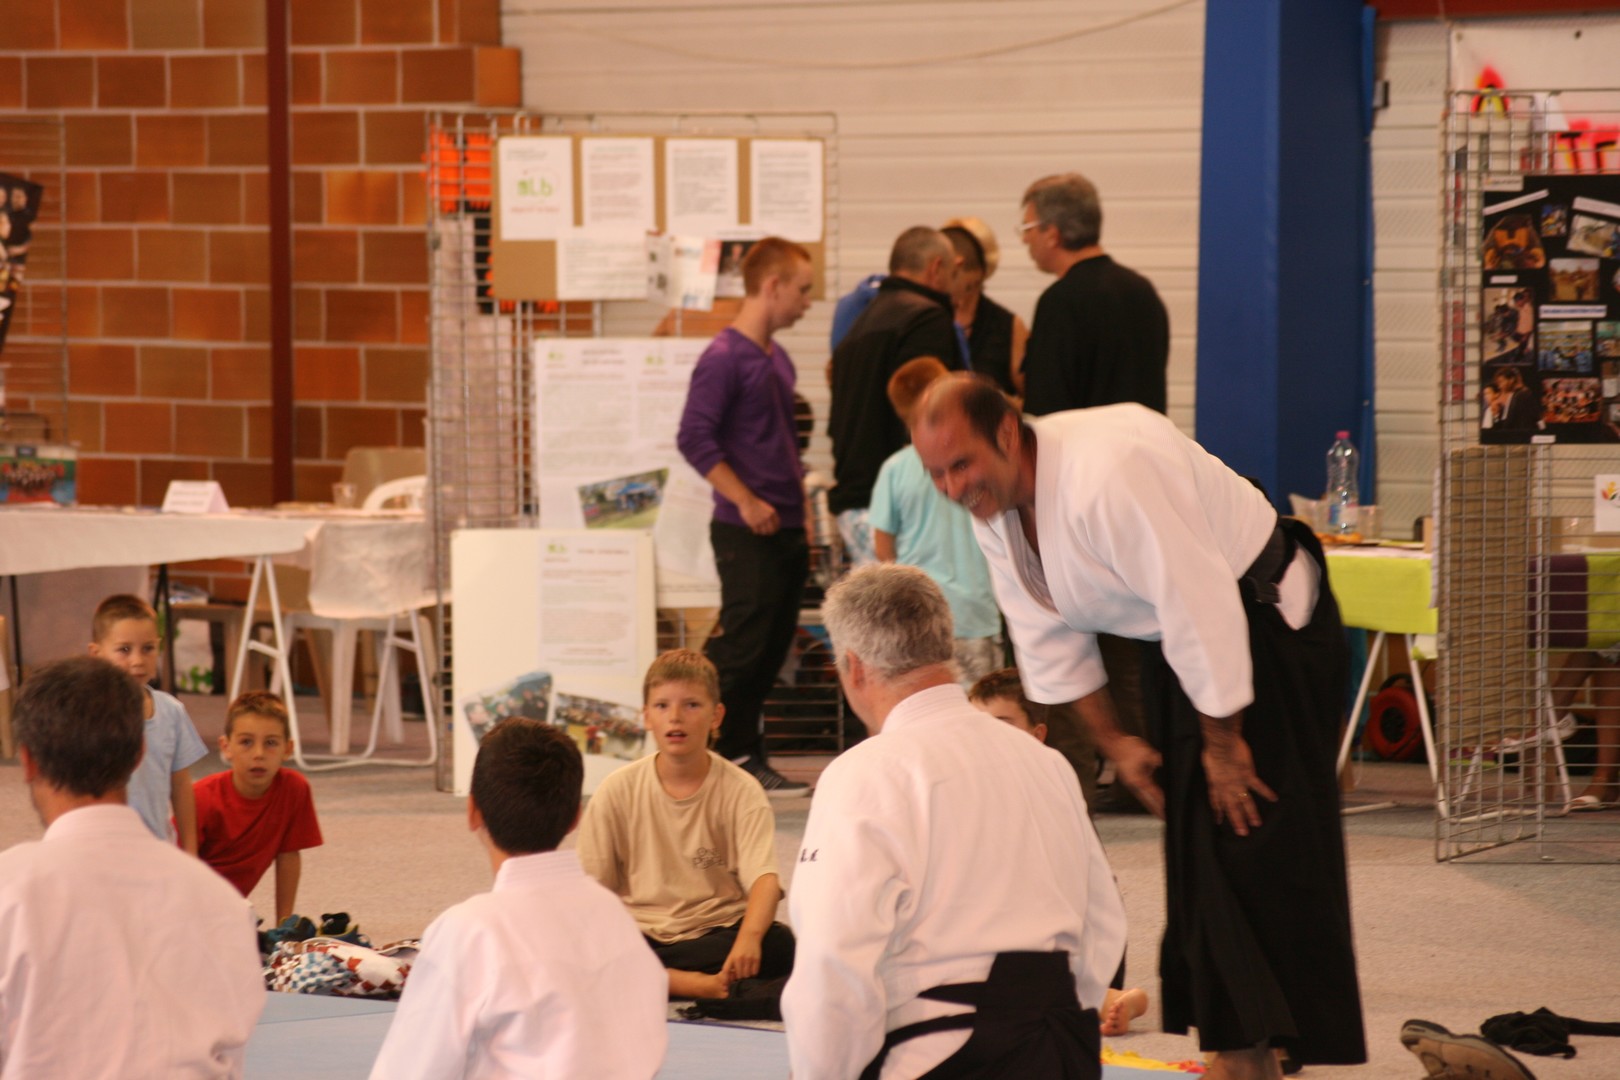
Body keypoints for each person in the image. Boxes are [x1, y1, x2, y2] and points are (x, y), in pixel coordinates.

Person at [911, 377, 1366, 1080]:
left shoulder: (1106, 472)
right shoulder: (995, 511)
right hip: (1180, 646)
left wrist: (1223, 744)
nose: (951, 487)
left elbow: (1201, 599)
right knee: (1197, 849)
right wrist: (1117, 744)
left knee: (1252, 834)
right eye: (936, 473)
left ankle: (1260, 1047)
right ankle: (1244, 1045)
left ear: (1005, 432)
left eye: (960, 464)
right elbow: (1047, 640)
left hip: (1264, 619)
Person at [781, 564, 1127, 1080]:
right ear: (943, 647)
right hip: (1061, 1048)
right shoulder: (1045, 761)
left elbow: (832, 963)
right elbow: (1103, 920)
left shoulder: (864, 774)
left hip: (943, 1054)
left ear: (854, 667)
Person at [0, 656, 265, 1077]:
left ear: (28, 762)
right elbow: (231, 1055)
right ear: (140, 753)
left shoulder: (10, 891)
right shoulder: (223, 902)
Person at [368, 718, 668, 1079]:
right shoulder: (614, 915)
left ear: (473, 812)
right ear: (576, 817)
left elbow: (412, 1070)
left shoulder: (469, 931)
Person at [676, 237, 816, 796]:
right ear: (772, 286)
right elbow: (693, 438)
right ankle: (706, 751)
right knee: (742, 647)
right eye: (802, 290)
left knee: (772, 648)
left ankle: (744, 753)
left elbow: (783, 444)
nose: (807, 302)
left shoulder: (777, 358)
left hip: (786, 526)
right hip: (745, 530)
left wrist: (800, 511)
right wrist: (746, 500)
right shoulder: (723, 358)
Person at [577, 649, 795, 1002]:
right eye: (662, 706)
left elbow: (764, 882)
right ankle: (693, 984)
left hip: (716, 932)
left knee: (779, 945)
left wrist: (749, 939)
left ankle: (654, 979)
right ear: (646, 716)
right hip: (641, 934)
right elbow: (592, 891)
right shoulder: (616, 790)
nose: (675, 717)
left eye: (691, 705)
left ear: (716, 715)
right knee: (582, 946)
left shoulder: (742, 790)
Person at [966, 668, 1150, 1038]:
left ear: (1037, 735)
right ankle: (1113, 998)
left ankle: (1124, 999)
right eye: (977, 727)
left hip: (1071, 940)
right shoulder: (974, 790)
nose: (988, 737)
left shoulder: (1047, 789)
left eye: (1002, 725)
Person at [827, 226, 964, 565]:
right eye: (953, 273)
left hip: (857, 502)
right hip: (905, 508)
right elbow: (932, 413)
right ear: (936, 267)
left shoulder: (857, 326)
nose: (955, 286)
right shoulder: (926, 319)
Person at [870, 356, 1002, 688]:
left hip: (920, 618)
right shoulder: (982, 460)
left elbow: (883, 547)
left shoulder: (894, 468)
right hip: (978, 611)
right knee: (984, 708)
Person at [1018, 173, 1169, 417]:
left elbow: (1046, 408)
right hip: (1145, 440)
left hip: (1085, 442)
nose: (1025, 239)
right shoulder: (1142, 291)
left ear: (1052, 235)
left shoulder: (1060, 301)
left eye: (1028, 228)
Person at [86, 593, 208, 852]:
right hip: (102, 847)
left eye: (148, 648)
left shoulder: (171, 712)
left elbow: (181, 785)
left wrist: (190, 849)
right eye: (124, 650)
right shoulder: (86, 715)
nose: (138, 660)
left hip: (156, 846)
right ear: (96, 653)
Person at [194, 690, 324, 922]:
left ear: (288, 749)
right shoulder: (200, 797)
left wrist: (284, 924)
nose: (259, 754)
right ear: (226, 747)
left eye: (271, 743)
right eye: (246, 742)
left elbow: (288, 855)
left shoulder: (295, 789)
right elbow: (175, 867)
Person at [942, 216, 1028, 397]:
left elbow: (1031, 398)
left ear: (980, 269)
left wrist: (995, 403)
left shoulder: (1009, 325)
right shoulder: (926, 319)